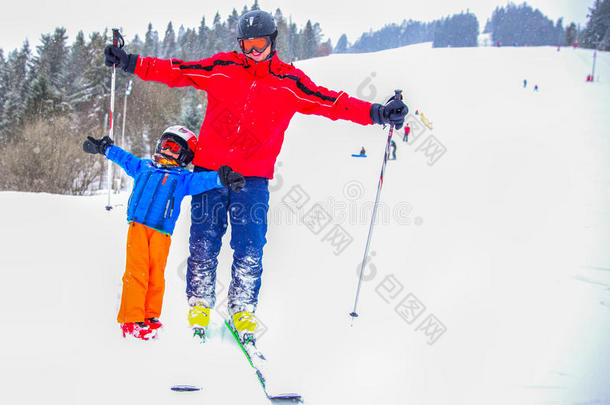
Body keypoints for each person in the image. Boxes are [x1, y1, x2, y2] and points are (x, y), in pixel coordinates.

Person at [104, 10, 408, 346]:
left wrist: (376, 113)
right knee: (203, 243)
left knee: (249, 247)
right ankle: (200, 305)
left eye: (259, 44)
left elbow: (331, 103)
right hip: (212, 174)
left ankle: (243, 308)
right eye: (247, 44)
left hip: (252, 181)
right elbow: (177, 71)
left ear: (272, 41)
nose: (253, 51)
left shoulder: (289, 83)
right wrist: (130, 62)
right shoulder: (222, 68)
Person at [83, 126, 245, 340]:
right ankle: (131, 319)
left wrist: (223, 178)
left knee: (156, 276)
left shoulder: (183, 179)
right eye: (165, 144)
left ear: (185, 156)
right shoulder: (144, 167)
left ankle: (149, 316)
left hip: (162, 233)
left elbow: (204, 180)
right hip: (138, 228)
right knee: (137, 272)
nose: (167, 150)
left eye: (174, 147)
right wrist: (105, 148)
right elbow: (125, 159)